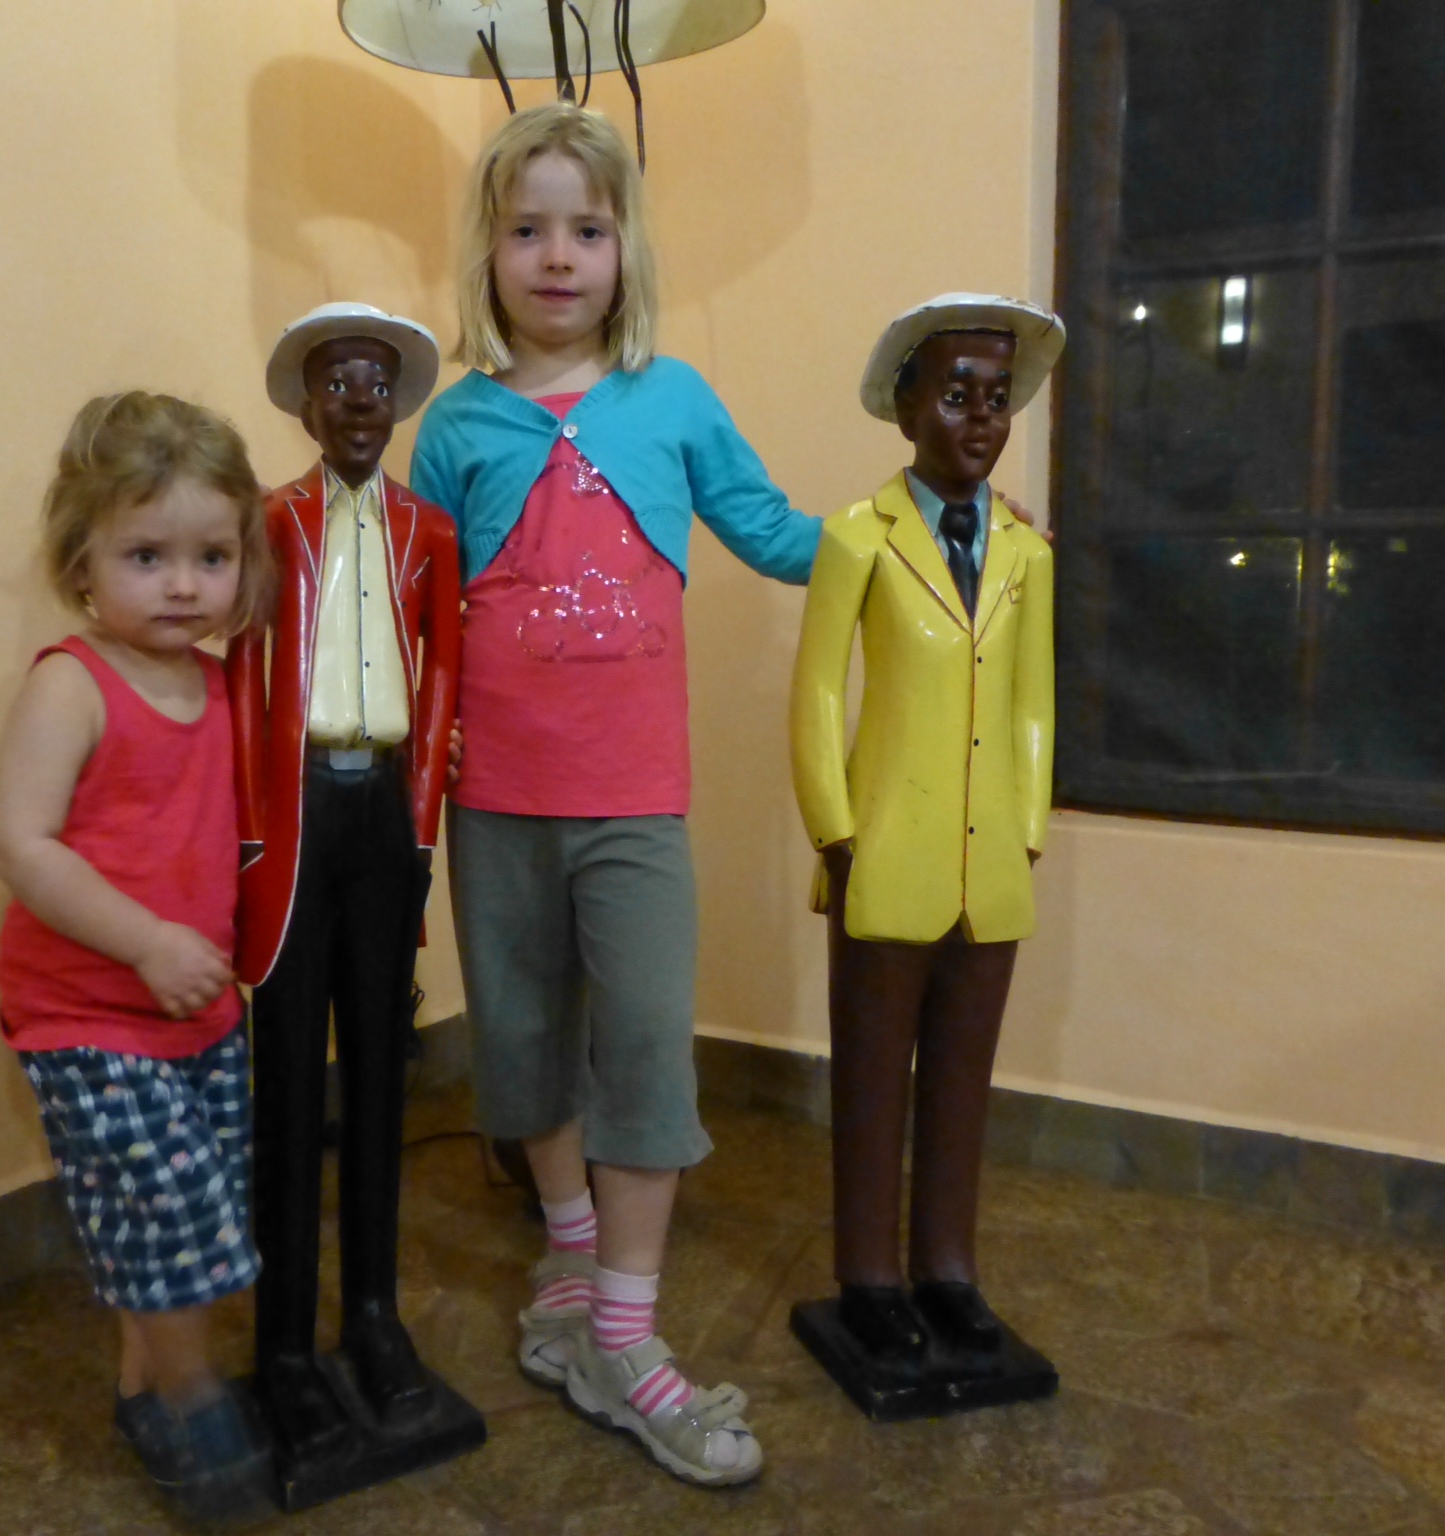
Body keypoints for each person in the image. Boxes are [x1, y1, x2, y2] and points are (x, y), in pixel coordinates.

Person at [409, 102, 814, 1487]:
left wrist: (932, 523)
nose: (557, 255)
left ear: (625, 247)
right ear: (488, 254)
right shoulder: (454, 424)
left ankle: (626, 1340)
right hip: (494, 802)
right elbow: (415, 613)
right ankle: (572, 1261)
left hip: (634, 800)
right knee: (523, 1047)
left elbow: (776, 534)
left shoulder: (672, 400)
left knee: (641, 1050)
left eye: (586, 228)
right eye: (527, 229)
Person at [0, 391, 276, 1523]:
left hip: (198, 1013)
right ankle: (193, 1398)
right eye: (146, 556)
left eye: (211, 557)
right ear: (83, 561)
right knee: (173, 1216)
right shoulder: (71, 683)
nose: (183, 585)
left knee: (181, 1213)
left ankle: (141, 1390)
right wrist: (147, 941)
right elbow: (21, 842)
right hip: (88, 1016)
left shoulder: (220, 684)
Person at [790, 295, 1061, 1384]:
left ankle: (947, 1266)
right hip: (884, 850)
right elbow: (817, 693)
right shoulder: (857, 538)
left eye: (996, 397)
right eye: (955, 395)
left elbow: (1034, 701)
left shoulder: (1025, 553)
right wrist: (836, 829)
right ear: (906, 409)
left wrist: (1027, 826)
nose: (981, 418)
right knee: (870, 1077)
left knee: (961, 1077)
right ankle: (868, 1276)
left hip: (988, 858)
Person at [228, 304, 464, 1465]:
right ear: (306, 403)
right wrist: (247, 836)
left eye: (376, 382)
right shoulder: (272, 522)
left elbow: (443, 679)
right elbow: (242, 680)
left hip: (382, 814)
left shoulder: (429, 529)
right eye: (337, 383)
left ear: (399, 399)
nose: (358, 401)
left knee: (379, 1070)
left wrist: (420, 827)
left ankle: (372, 1314)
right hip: (298, 808)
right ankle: (282, 1345)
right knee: (286, 1082)